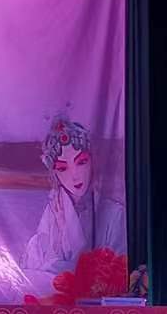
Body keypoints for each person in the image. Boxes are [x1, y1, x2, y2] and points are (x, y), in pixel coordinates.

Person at [21, 116, 126, 273]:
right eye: (63, 168)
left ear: (92, 161)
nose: (75, 176)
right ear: (54, 173)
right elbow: (36, 266)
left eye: (81, 162)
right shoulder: (53, 212)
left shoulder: (115, 215)